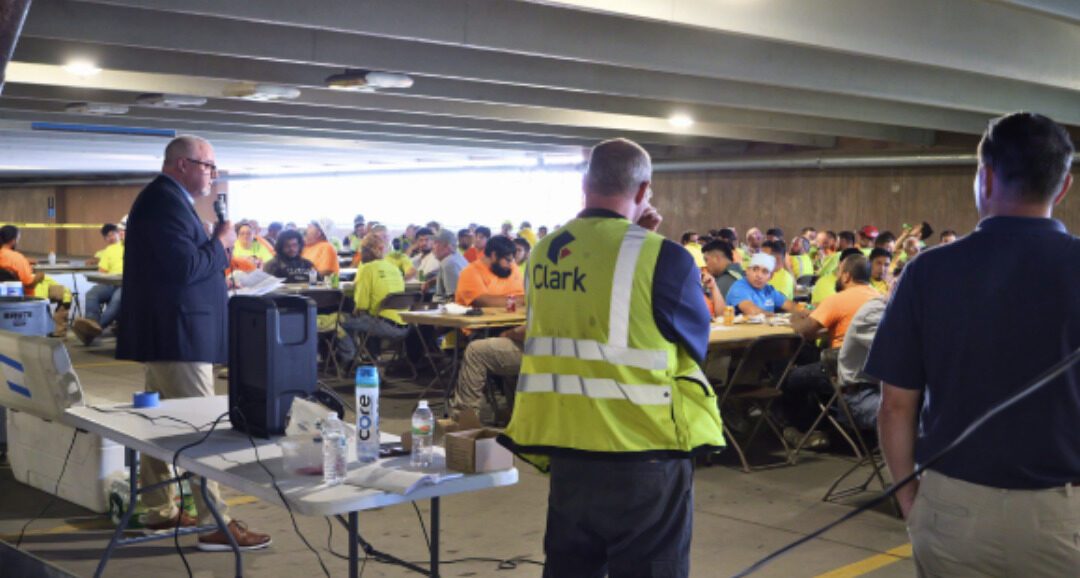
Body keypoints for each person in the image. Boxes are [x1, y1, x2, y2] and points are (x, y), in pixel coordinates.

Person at [499, 138, 724, 578]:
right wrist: (644, 237)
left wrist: (638, 234)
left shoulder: (543, 253)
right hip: (642, 451)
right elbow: (695, 343)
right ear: (642, 191)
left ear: (585, 184)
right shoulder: (664, 257)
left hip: (567, 447)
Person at [868, 112, 1080, 577]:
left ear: (984, 177)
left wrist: (910, 502)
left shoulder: (927, 272)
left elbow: (895, 407)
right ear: (1063, 187)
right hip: (1066, 516)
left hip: (953, 509)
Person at [116, 135, 270, 550]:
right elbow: (185, 268)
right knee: (201, 429)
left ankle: (159, 510)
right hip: (179, 336)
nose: (212, 174)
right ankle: (214, 522)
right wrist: (220, 242)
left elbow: (183, 265)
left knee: (161, 422)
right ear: (182, 164)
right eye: (207, 165)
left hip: (173, 333)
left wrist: (214, 242)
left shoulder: (168, 200)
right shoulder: (164, 202)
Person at [339, 234, 409, 361]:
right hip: (405, 325)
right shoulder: (394, 268)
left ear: (367, 251)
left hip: (382, 325)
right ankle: (371, 356)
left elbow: (361, 306)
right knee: (366, 319)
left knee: (338, 322)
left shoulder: (367, 269)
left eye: (362, 250)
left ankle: (350, 358)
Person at [449, 326, 524, 422]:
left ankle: (464, 420)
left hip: (536, 349)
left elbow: (531, 330)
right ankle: (514, 411)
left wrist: (508, 334)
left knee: (475, 351)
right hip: (539, 348)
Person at [72, 224, 125, 345]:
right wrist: (95, 260)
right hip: (111, 283)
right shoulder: (106, 251)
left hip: (126, 284)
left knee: (116, 300)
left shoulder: (130, 246)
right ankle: (91, 322)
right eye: (107, 236)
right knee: (92, 294)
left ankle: (95, 329)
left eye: (113, 234)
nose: (111, 237)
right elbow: (102, 270)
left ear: (119, 233)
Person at [454, 236, 523, 307]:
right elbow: (484, 303)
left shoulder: (512, 268)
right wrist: (519, 300)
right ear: (494, 255)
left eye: (512, 260)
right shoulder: (470, 272)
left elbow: (525, 296)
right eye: (508, 260)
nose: (511, 264)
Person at [725, 253, 795, 315]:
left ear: (771, 277)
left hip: (767, 325)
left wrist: (800, 312)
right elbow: (752, 312)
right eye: (755, 269)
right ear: (747, 271)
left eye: (765, 272)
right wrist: (776, 317)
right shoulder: (739, 287)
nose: (759, 275)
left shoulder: (769, 290)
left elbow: (791, 306)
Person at [0, 225, 43, 295]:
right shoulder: (17, 258)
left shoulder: (12, 258)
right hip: (22, 298)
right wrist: (39, 277)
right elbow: (29, 283)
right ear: (13, 241)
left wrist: (26, 261)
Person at [430, 229, 468, 302]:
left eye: (435, 243)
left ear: (447, 246)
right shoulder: (457, 257)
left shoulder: (448, 263)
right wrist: (431, 282)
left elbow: (454, 298)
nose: (432, 247)